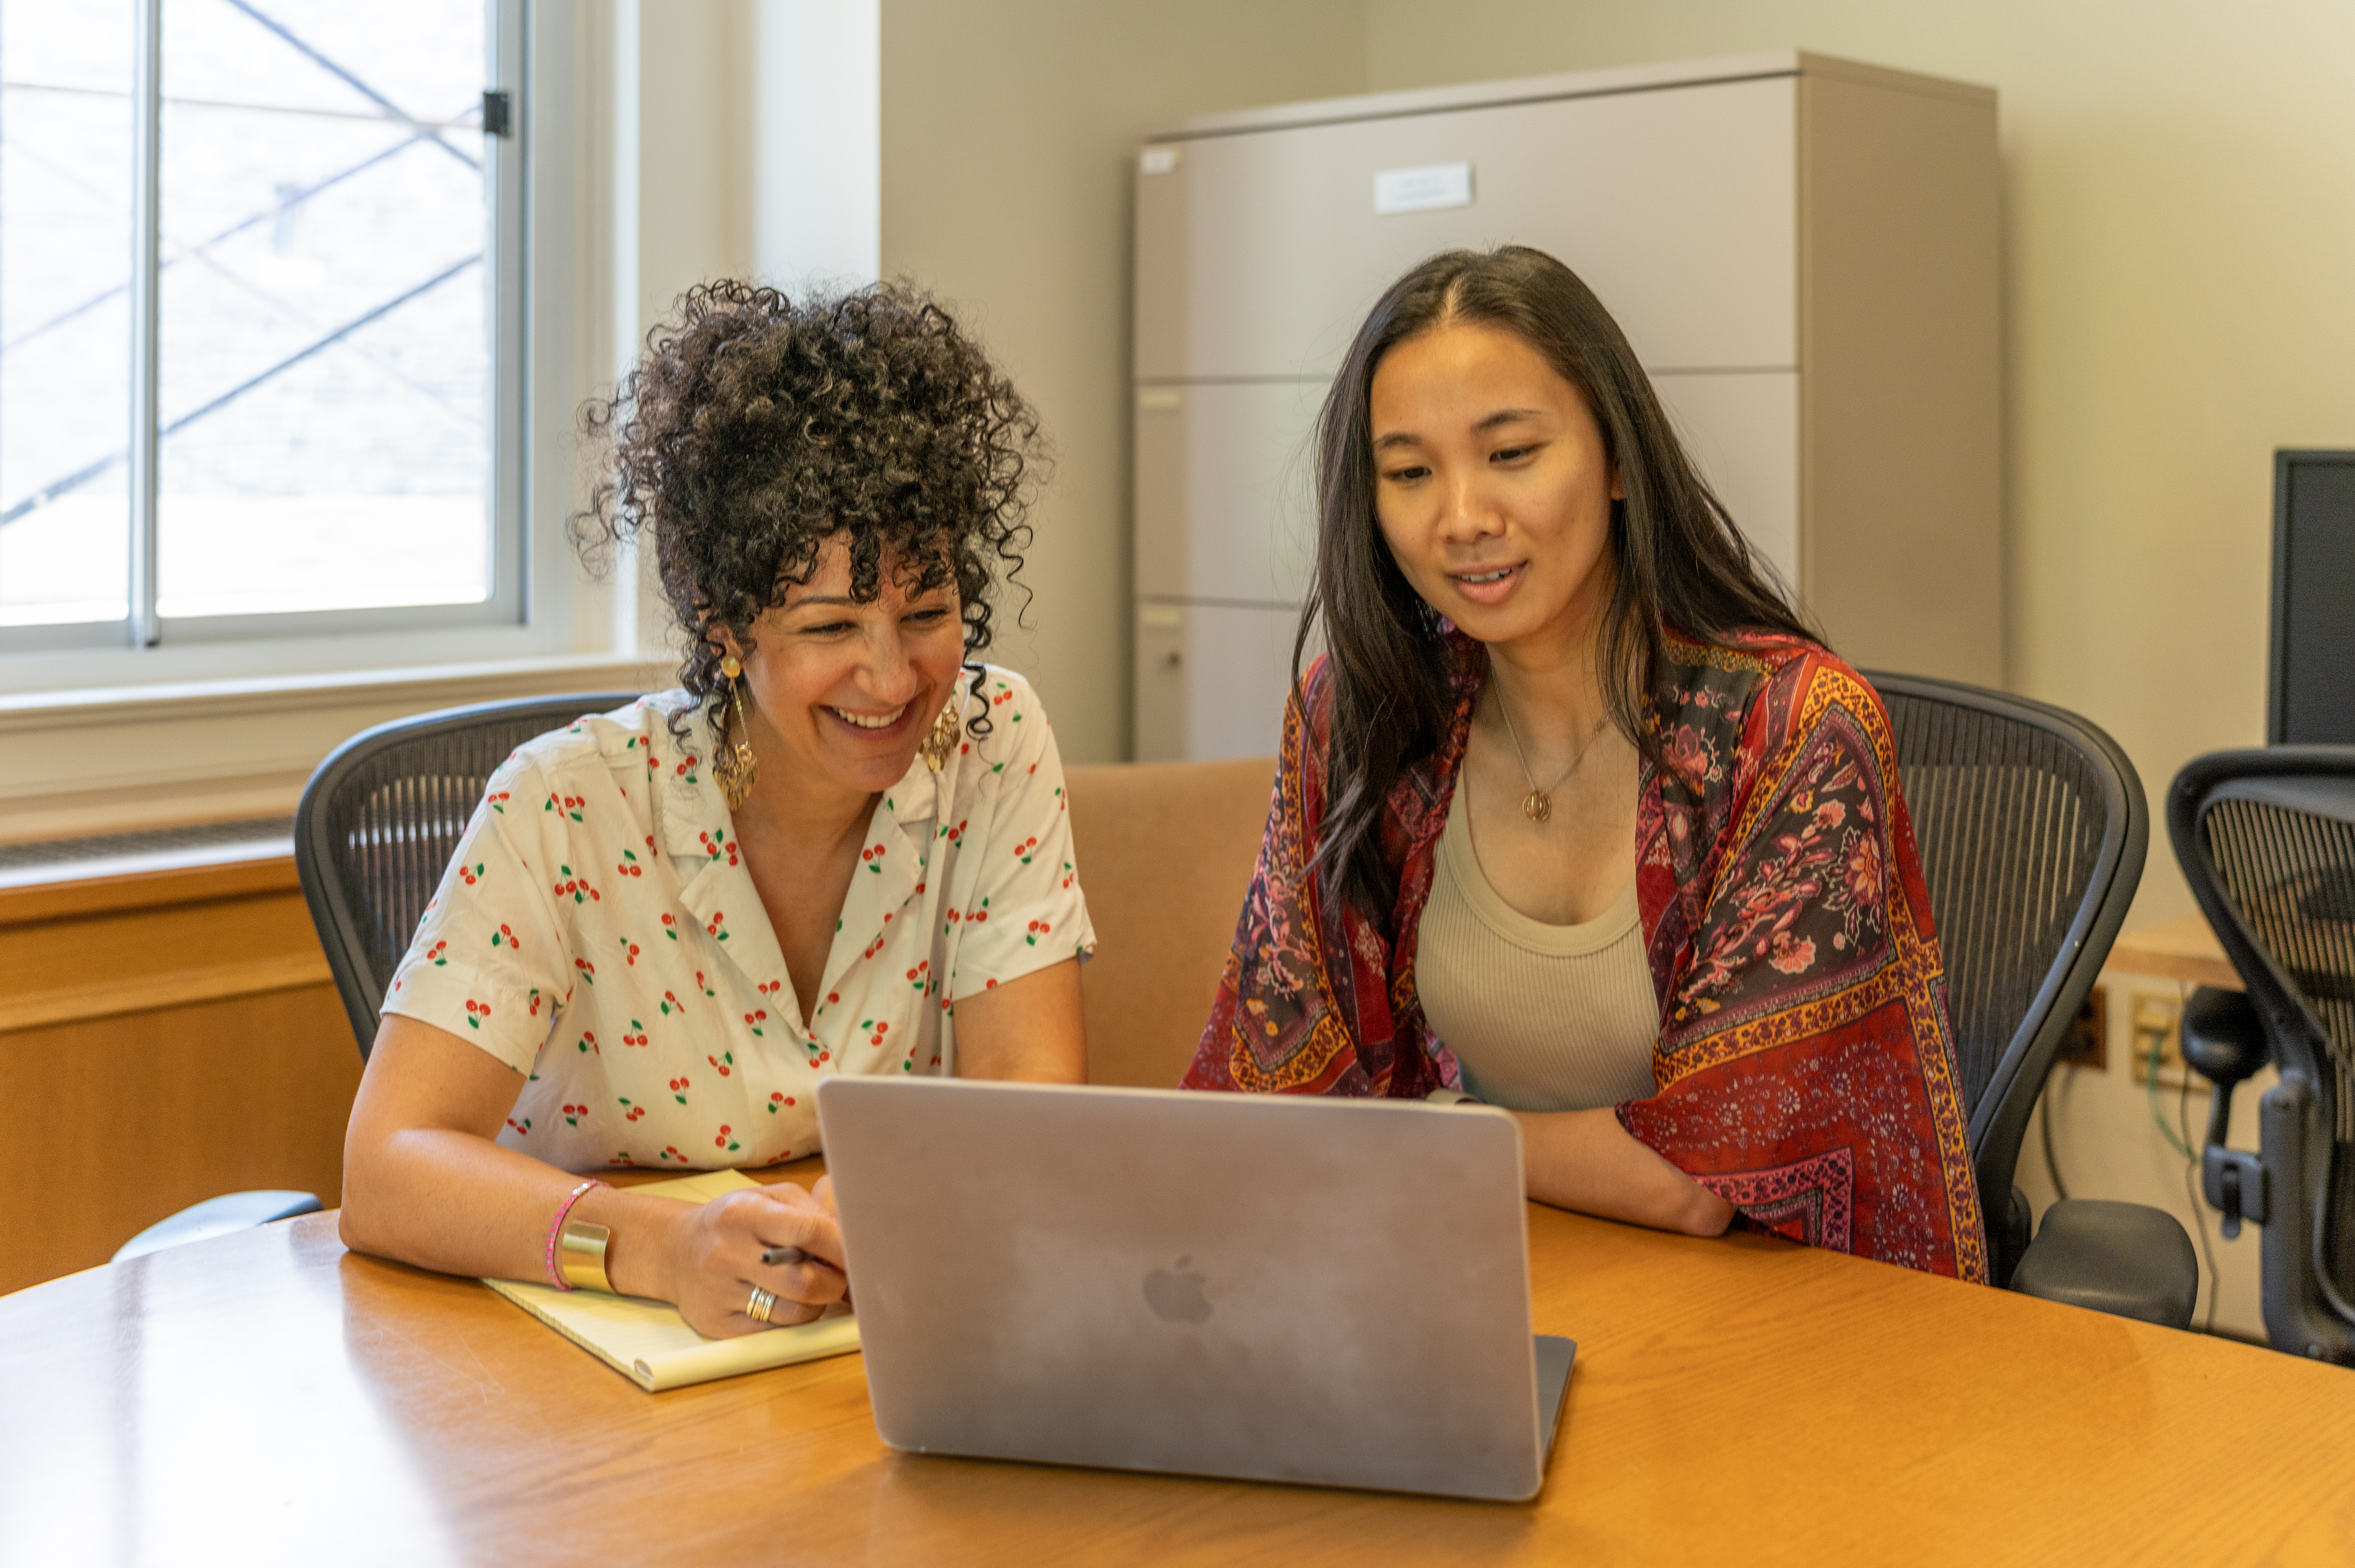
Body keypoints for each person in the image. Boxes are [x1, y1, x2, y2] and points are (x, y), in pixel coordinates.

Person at [1184, 246, 1987, 1282]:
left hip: (1774, 1332)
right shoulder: (1365, 718)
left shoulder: (1792, 731)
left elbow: (1706, 1179)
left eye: (1511, 453)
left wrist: (1433, 1128)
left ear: (1615, 460)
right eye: (1410, 472)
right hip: (1472, 1286)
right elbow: (1273, 1086)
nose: (1462, 517)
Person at [341, 280, 1096, 1334]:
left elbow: (1030, 1082)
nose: (892, 679)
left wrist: (864, 1213)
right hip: (583, 1348)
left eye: (926, 613)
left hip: (860, 1331)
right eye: (832, 628)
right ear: (724, 623)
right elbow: (388, 1166)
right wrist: (659, 1246)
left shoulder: (991, 736)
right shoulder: (563, 803)